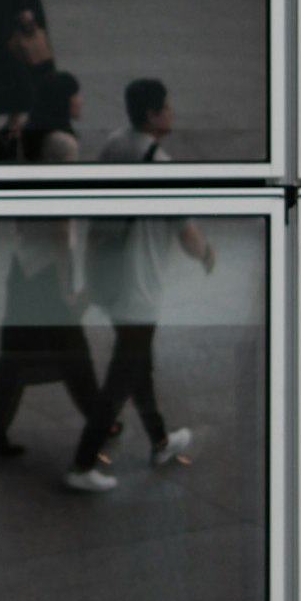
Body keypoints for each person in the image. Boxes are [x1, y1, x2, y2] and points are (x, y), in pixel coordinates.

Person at [0, 76, 112, 482]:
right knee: (75, 351)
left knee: (15, 352)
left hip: (24, 259)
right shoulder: (64, 145)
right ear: (65, 101)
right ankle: (100, 423)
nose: (82, 100)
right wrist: (67, 282)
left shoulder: (28, 136)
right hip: (50, 264)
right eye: (77, 94)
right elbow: (61, 216)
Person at [80, 78, 215, 479]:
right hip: (140, 287)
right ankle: (83, 461)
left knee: (138, 364)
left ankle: (159, 442)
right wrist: (207, 254)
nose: (173, 112)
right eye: (168, 107)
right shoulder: (160, 166)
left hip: (111, 276)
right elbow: (187, 234)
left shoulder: (114, 144)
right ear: (153, 115)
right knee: (122, 376)